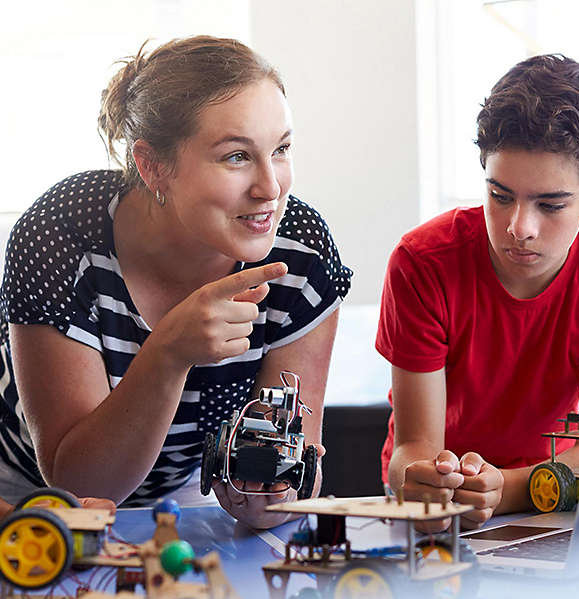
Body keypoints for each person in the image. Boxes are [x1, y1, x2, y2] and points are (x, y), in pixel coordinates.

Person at [0, 36, 352, 529]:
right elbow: (79, 484)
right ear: (153, 166)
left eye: (281, 149)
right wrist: (168, 352)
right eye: (235, 156)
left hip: (188, 488)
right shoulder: (60, 233)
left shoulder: (302, 253)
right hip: (28, 497)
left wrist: (263, 494)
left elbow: (291, 477)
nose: (270, 188)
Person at [376, 54, 579, 531]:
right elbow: (412, 450)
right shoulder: (421, 261)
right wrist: (421, 483)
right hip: (444, 503)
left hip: (557, 493)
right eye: (499, 196)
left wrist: (509, 488)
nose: (518, 228)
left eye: (550, 204)